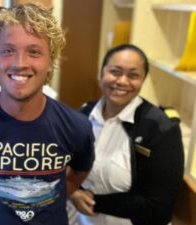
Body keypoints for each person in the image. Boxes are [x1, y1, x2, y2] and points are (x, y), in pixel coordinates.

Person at [0, 3, 95, 225]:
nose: (19, 63)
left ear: (50, 62)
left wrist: (54, 195)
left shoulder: (76, 126)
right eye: (8, 51)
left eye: (34, 52)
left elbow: (81, 169)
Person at [69, 44, 184, 225]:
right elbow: (63, 166)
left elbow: (158, 204)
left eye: (133, 75)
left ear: (143, 80)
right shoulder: (82, 116)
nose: (122, 81)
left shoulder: (160, 128)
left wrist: (92, 201)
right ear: (101, 73)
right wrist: (73, 193)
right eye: (115, 72)